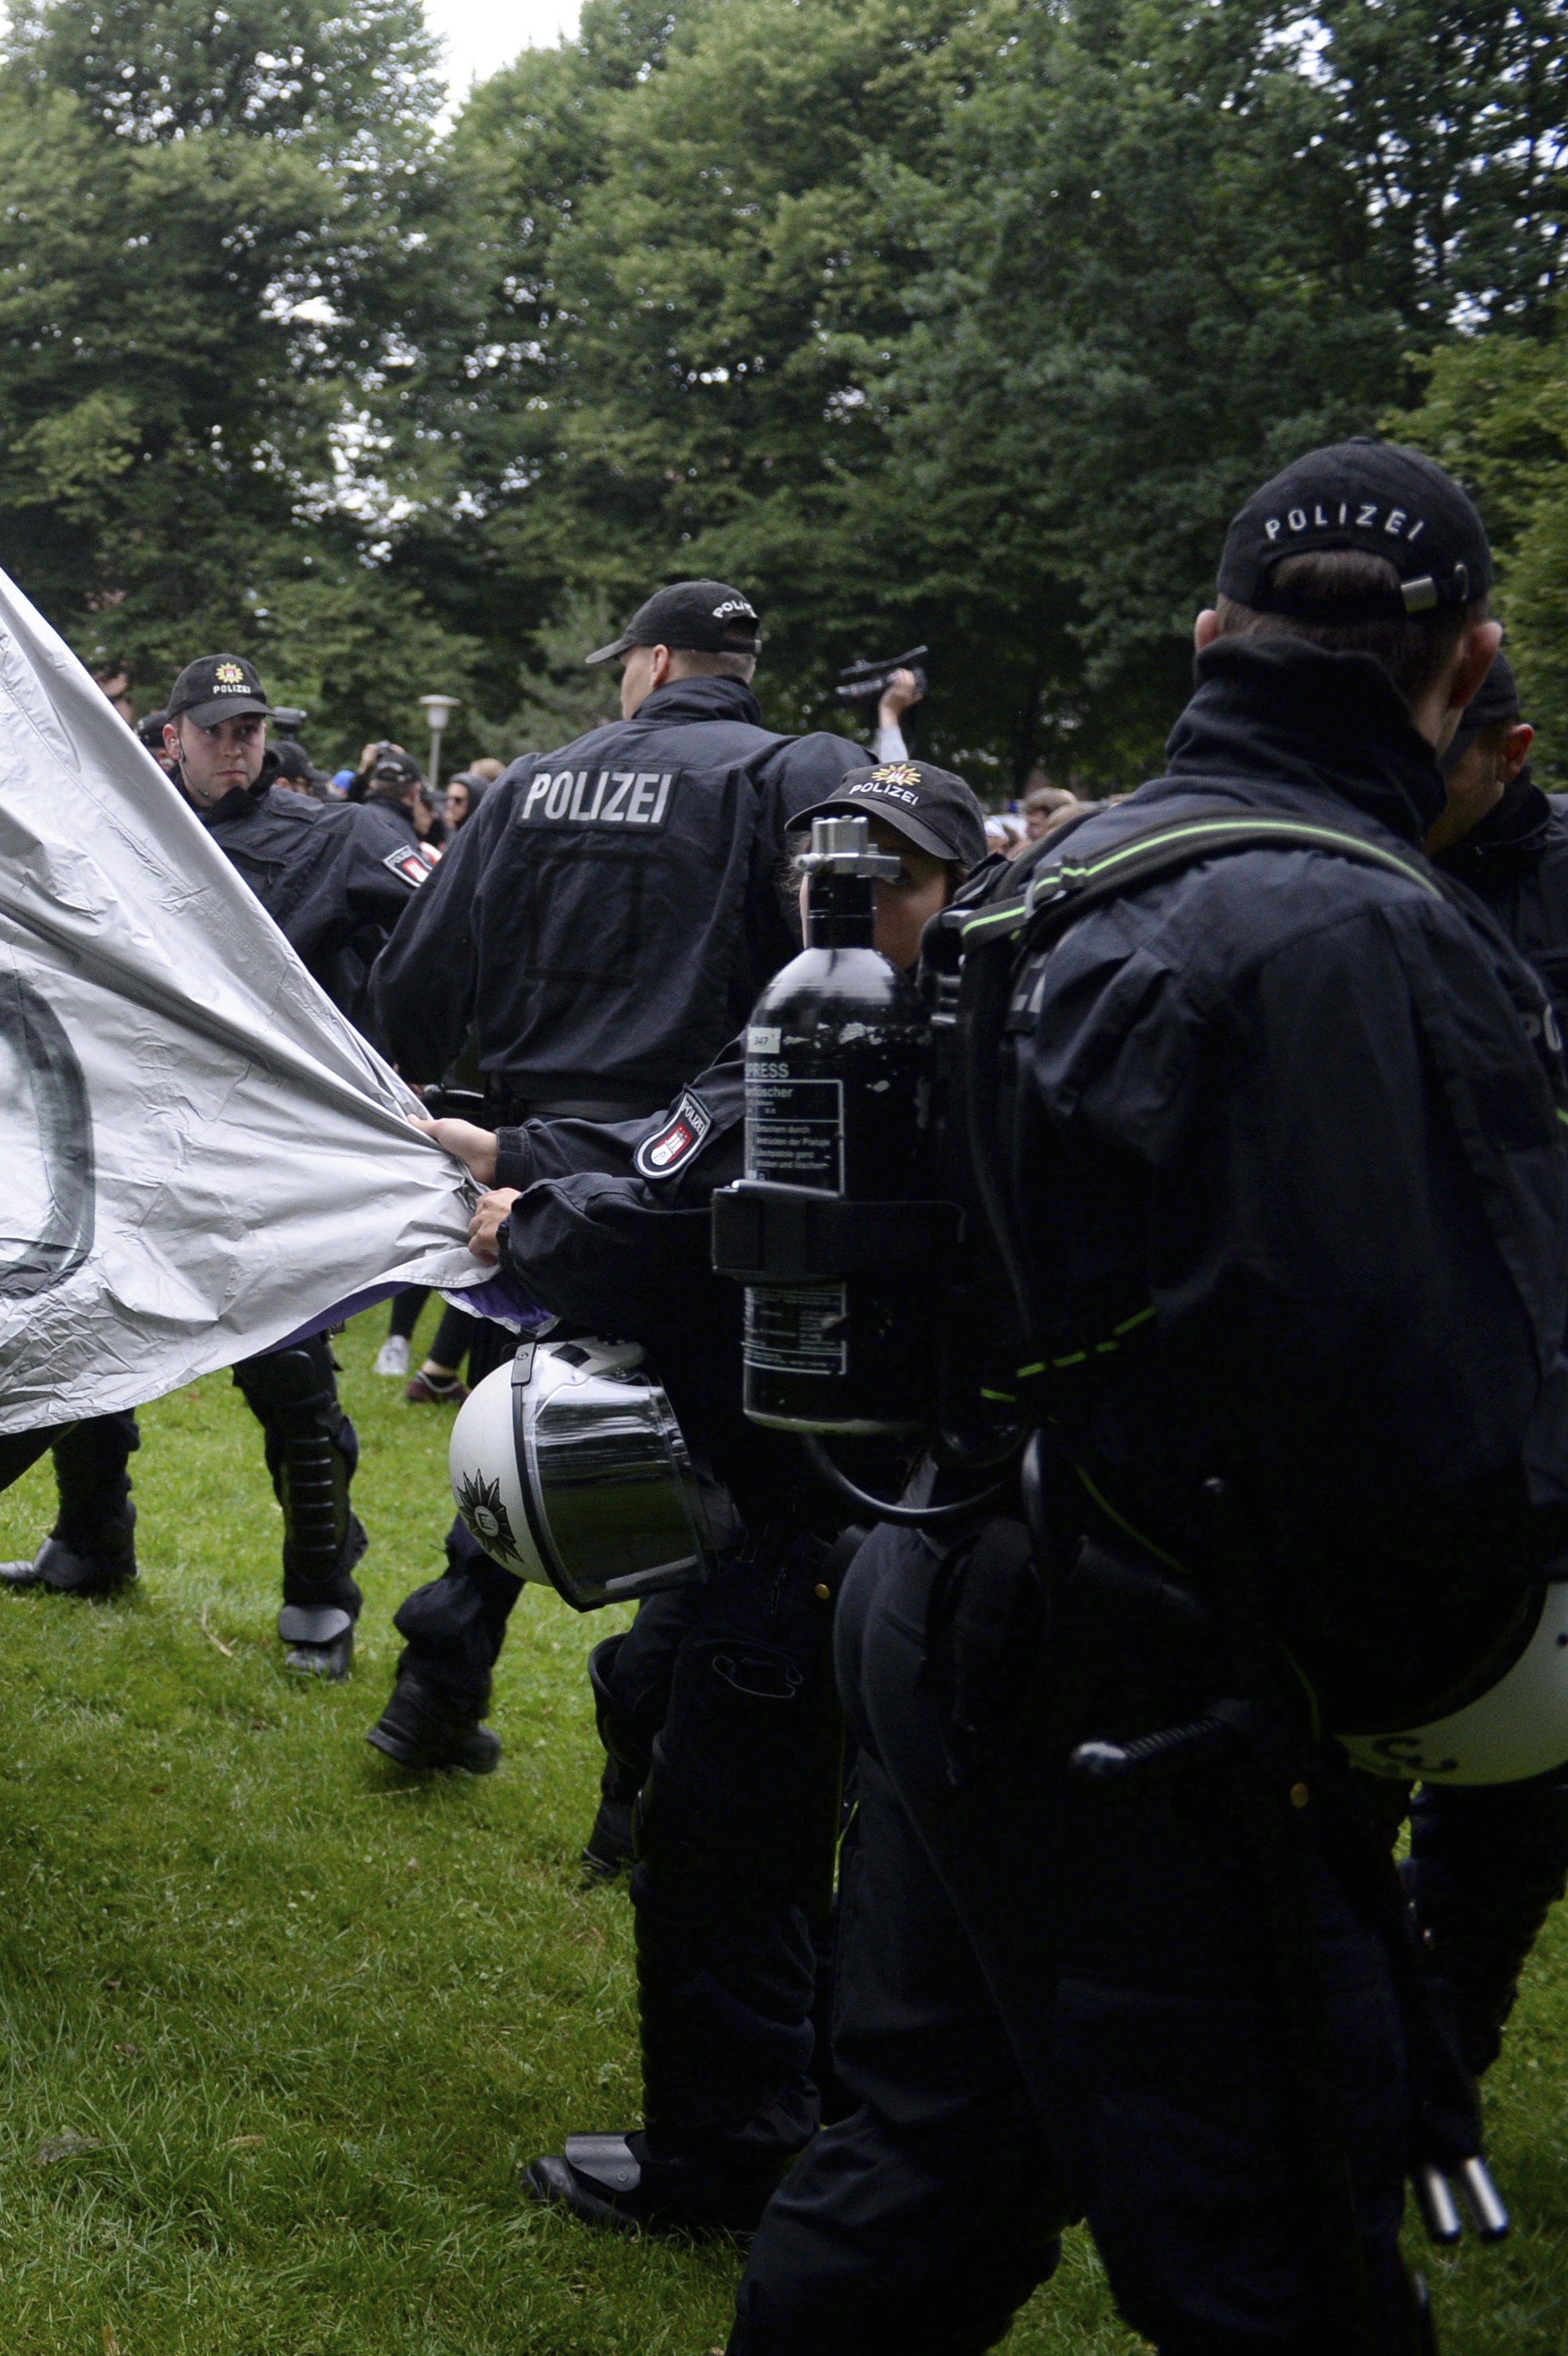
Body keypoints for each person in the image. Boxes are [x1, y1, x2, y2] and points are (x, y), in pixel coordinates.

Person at [728, 442, 1563, 2351]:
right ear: (1466, 664)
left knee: (923, 2162)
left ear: (1209, 637)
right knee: (1276, 2256)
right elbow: (1449, 1436)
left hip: (953, 1588)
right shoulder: (1378, 938)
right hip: (1167, 1697)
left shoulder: (1058, 869)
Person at [444, 761, 988, 2241]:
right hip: (843, 1507)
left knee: (727, 1836)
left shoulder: (854, 1062)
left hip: (812, 1510)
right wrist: (520, 1157)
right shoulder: (850, 1033)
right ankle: (799, 2097)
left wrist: (531, 1217)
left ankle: (727, 2154)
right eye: (831, 864)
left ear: (955, 891)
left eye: (896, 874)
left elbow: (659, 1231)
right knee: (676, 1730)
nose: (852, 893)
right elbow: (667, 1159)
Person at [361, 577, 861, 1774]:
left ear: (644, 666)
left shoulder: (532, 779)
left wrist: (419, 1093)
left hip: (534, 1184)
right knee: (710, 1471)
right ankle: (634, 1774)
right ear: (737, 668)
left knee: (554, 1417)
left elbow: (417, 980)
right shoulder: (787, 773)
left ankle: (439, 1680)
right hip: (704, 1169)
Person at [0, 655, 427, 1677]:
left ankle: (319, 1593)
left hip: (259, 1154)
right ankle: (88, 1538)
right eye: (217, 730)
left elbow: (447, 926)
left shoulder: (338, 834)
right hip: (125, 1133)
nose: (237, 747)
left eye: (251, 730)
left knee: (288, 1372)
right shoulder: (120, 833)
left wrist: (386, 1059)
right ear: (172, 738)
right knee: (85, 1334)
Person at [1400, 650, 1568, 2085]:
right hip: (1382, 1360)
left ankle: (1439, 2053)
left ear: (1501, 750)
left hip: (1539, 1375)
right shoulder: (1344, 856)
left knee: (1518, 1773)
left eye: (1438, 754)